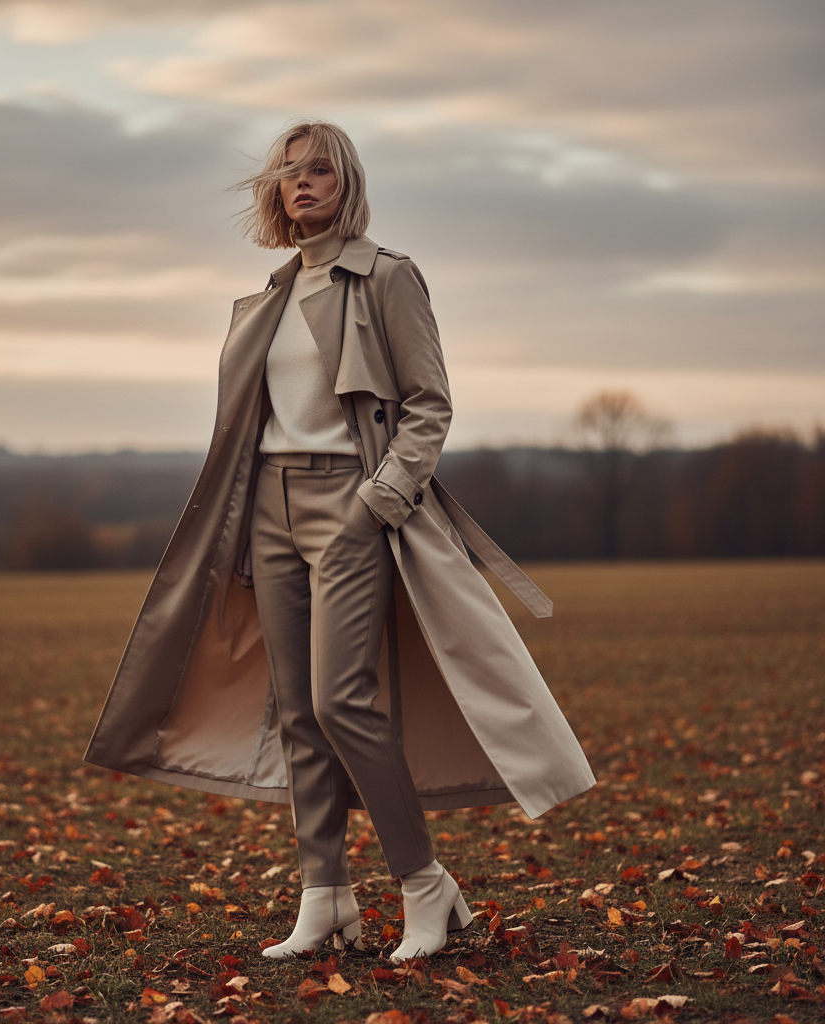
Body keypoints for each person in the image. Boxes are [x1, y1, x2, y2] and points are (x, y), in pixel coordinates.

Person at [84, 120, 595, 962]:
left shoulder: (388, 278)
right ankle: (325, 897)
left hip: (350, 504)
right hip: (269, 513)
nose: (302, 183)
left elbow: (430, 403)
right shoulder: (270, 297)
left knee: (340, 700)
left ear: (347, 181)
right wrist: (248, 524)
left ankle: (424, 884)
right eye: (289, 173)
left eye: (319, 169)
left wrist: (379, 499)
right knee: (296, 713)